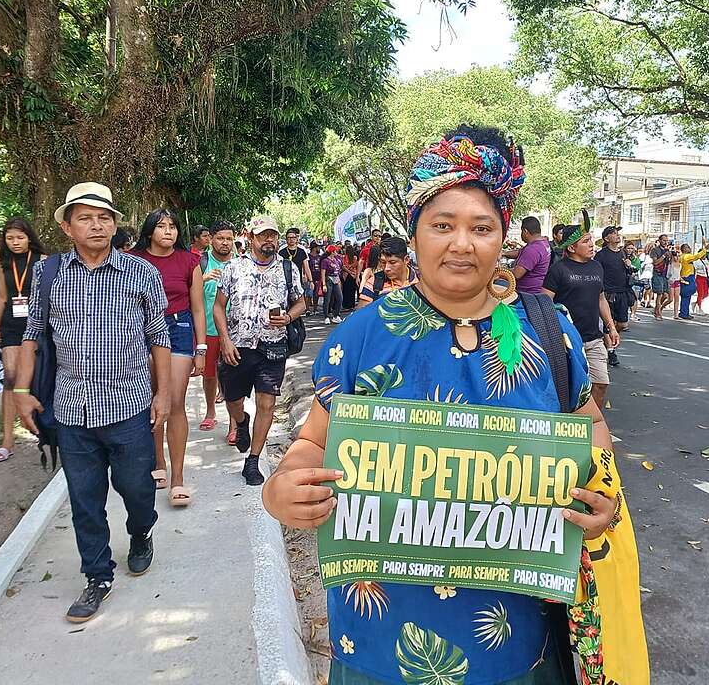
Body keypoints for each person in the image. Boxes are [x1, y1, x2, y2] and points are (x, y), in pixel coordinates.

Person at [265, 126, 636, 685]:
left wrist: (603, 499)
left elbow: (591, 427)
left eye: (481, 228)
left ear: (503, 238)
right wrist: (282, 489)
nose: (462, 244)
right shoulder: (364, 333)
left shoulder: (548, 331)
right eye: (442, 225)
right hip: (377, 644)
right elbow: (314, 441)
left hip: (514, 646)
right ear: (414, 236)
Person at [14, 182, 171, 623]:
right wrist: (22, 393)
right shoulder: (48, 274)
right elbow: (32, 335)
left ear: (115, 224)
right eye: (85, 217)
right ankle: (97, 576)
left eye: (104, 217)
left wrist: (163, 394)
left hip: (128, 405)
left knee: (138, 490)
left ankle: (141, 533)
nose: (96, 224)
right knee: (85, 498)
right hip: (71, 409)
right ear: (67, 226)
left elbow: (158, 337)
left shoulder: (142, 274)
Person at [213, 214, 305, 486]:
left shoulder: (288, 269)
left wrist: (288, 317)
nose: (269, 240)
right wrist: (225, 340)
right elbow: (218, 307)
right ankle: (241, 422)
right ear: (251, 238)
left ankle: (252, 461)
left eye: (273, 235)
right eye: (263, 235)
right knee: (233, 399)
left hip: (273, 346)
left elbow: (301, 303)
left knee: (267, 402)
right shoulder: (234, 268)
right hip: (238, 346)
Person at [132, 209, 207, 506]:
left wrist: (200, 348)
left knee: (174, 400)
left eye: (173, 226)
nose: (168, 231)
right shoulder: (133, 261)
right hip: (141, 331)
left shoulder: (190, 261)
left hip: (178, 328)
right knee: (151, 399)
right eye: (161, 226)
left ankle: (178, 478)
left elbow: (199, 308)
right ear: (149, 231)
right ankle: (158, 462)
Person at [544, 211, 621, 408]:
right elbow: (544, 303)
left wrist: (611, 326)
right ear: (571, 247)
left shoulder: (596, 267)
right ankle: (570, 426)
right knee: (571, 388)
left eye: (591, 240)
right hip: (567, 341)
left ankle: (591, 426)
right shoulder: (558, 270)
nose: (591, 245)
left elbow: (601, 298)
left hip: (593, 338)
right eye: (586, 241)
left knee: (601, 383)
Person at [0, 217, 46, 462]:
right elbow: (2, 297)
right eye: (10, 238)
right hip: (12, 323)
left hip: (37, 323)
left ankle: (47, 431)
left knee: (39, 377)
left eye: (20, 237)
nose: (15, 242)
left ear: (29, 237)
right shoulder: (3, 262)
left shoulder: (42, 261)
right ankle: (7, 441)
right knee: (10, 378)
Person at [199, 221, 235, 437]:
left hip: (236, 331)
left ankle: (234, 423)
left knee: (233, 375)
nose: (225, 243)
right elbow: (188, 294)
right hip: (209, 329)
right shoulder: (201, 263)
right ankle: (210, 411)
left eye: (229, 239)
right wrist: (202, 279)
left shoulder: (241, 264)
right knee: (209, 374)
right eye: (220, 238)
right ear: (211, 238)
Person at [594, 225, 631, 366]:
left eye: (617, 233)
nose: (617, 236)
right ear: (606, 238)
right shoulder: (601, 255)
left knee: (622, 323)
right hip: (607, 293)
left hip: (622, 292)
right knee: (607, 324)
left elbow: (628, 272)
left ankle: (612, 341)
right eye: (614, 234)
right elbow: (596, 272)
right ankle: (611, 351)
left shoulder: (622, 253)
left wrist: (628, 266)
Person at [357, 236, 417, 307]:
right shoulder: (373, 283)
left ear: (406, 260)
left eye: (392, 262)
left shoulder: (421, 280)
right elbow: (362, 315)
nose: (386, 268)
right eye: (383, 262)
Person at [504, 216, 551, 293]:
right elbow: (520, 252)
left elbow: (516, 274)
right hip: (536, 288)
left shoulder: (533, 249)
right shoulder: (543, 243)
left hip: (527, 294)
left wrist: (499, 271)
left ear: (525, 231)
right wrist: (503, 253)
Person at [677, 242, 708, 320]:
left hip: (685, 277)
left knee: (686, 296)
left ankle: (684, 312)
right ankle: (684, 313)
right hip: (687, 277)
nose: (689, 248)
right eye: (687, 247)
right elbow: (696, 256)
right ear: (684, 249)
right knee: (686, 295)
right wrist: (705, 249)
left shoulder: (682, 257)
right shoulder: (686, 256)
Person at [280, 227, 313, 301]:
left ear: (296, 239)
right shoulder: (281, 252)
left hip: (298, 282)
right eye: (289, 238)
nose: (291, 239)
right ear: (286, 239)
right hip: (284, 281)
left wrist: (310, 281)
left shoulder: (301, 251)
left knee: (299, 302)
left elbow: (306, 267)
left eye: (293, 237)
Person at [649, 233, 672, 320]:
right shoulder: (655, 250)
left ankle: (656, 310)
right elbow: (655, 262)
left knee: (666, 295)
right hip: (657, 274)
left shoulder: (667, 250)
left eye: (667, 241)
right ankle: (658, 313)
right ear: (659, 241)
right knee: (659, 294)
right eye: (664, 240)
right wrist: (664, 256)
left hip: (665, 275)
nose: (666, 242)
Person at [321, 244, 344, 323]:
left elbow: (339, 270)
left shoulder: (336, 260)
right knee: (327, 299)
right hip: (328, 279)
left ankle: (336, 315)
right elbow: (323, 273)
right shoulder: (325, 261)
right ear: (332, 252)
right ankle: (326, 316)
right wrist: (324, 284)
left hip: (336, 279)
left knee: (340, 298)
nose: (336, 252)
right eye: (335, 251)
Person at [341, 243, 360, 310]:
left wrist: (349, 272)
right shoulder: (355, 258)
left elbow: (343, 267)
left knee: (346, 291)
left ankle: (346, 306)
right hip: (353, 276)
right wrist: (355, 274)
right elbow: (357, 266)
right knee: (352, 291)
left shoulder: (343, 258)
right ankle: (352, 305)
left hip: (346, 276)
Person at [307, 242, 323, 316]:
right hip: (310, 277)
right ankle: (307, 310)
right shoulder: (308, 256)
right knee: (309, 294)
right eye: (318, 247)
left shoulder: (320, 257)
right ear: (314, 248)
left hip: (318, 277)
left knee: (316, 294)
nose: (319, 248)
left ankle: (315, 309)